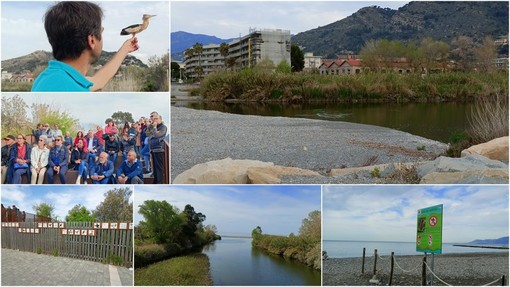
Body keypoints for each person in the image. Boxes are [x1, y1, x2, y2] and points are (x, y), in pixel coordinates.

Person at [31, 1, 139, 92]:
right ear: (91, 40)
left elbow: (98, 81)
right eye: (101, 32)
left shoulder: (51, 77)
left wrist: (125, 49)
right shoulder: (71, 89)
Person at [147, 113, 167, 184]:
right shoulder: (153, 126)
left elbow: (157, 135)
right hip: (152, 149)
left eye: (157, 119)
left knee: (159, 169)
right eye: (154, 119)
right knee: (154, 170)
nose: (155, 120)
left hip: (159, 149)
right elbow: (147, 134)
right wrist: (151, 126)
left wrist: (155, 129)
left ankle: (159, 183)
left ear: (160, 119)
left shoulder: (163, 127)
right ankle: (155, 182)